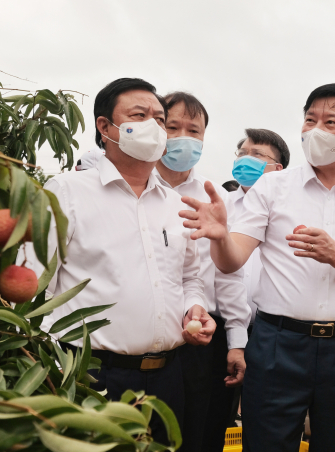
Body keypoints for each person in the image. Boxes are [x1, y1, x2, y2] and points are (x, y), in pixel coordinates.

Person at [179, 83, 335, 452]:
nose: (315, 130)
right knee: (265, 443)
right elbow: (232, 260)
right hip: (277, 343)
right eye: (309, 119)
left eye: (330, 122)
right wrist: (219, 237)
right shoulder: (273, 188)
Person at [33, 78, 216, 445]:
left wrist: (195, 309)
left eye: (159, 118)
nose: (154, 125)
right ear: (105, 127)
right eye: (139, 115)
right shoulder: (66, 193)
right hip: (90, 374)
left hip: (166, 378)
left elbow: (190, 278)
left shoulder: (176, 204)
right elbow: (35, 288)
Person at [152, 91, 251, 452]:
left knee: (197, 435)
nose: (183, 138)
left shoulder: (213, 199)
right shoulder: (135, 188)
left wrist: (237, 341)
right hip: (146, 336)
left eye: (194, 131)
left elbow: (229, 275)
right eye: (173, 127)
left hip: (203, 337)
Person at [228, 128, 290, 325]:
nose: (246, 158)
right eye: (242, 153)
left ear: (278, 169)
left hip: (273, 329)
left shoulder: (291, 212)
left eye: (256, 154)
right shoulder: (221, 205)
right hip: (218, 326)